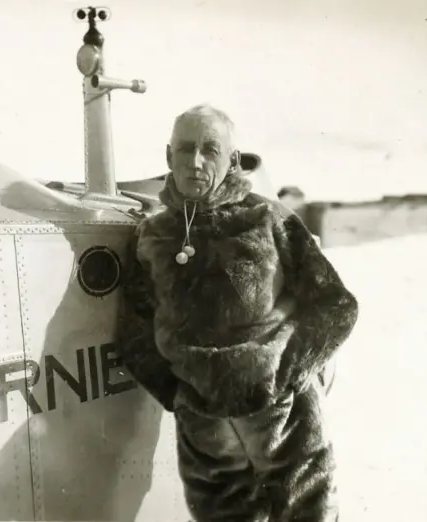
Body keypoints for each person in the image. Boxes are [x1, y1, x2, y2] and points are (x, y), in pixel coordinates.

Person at [116, 104, 358, 522]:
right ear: (168, 156)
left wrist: (286, 374)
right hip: (205, 430)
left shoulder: (268, 218)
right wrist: (179, 396)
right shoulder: (152, 235)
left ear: (231, 159)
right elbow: (134, 328)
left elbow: (336, 303)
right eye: (185, 149)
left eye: (210, 150)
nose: (195, 161)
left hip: (282, 417)